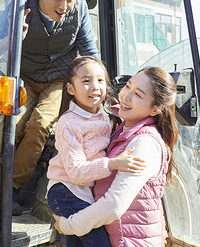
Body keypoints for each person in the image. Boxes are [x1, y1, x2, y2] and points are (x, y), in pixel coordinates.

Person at [0, 0, 99, 215]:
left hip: (58, 79)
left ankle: (12, 189)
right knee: (11, 124)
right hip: (24, 76)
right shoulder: (18, 7)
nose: (64, 6)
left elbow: (88, 50)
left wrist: (99, 91)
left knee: (39, 124)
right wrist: (14, 37)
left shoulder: (79, 8)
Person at [53, 66, 178, 246]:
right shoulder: (119, 130)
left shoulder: (144, 144)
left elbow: (113, 206)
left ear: (155, 109)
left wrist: (67, 225)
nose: (126, 96)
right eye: (127, 86)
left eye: (138, 94)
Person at [46, 56, 146, 247]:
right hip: (67, 190)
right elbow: (76, 172)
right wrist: (112, 164)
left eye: (100, 80)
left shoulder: (108, 116)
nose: (94, 86)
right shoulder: (68, 123)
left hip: (84, 192)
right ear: (70, 89)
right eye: (86, 81)